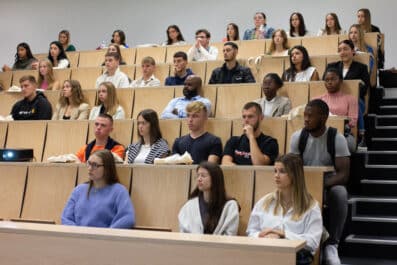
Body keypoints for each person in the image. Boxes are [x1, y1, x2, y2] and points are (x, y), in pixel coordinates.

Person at [290, 99, 350, 265]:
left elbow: (344, 175)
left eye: (311, 116)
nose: (306, 119)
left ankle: (332, 244)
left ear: (323, 118)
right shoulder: (297, 137)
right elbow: (292, 169)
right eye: (305, 115)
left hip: (328, 183)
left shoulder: (336, 138)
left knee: (340, 193)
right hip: (303, 183)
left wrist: (320, 185)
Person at [246, 153, 322, 265]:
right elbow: (251, 232)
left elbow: (313, 242)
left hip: (295, 259)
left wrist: (283, 234)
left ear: (294, 175)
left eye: (282, 171)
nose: (276, 175)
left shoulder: (311, 206)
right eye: (275, 171)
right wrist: (264, 236)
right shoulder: (264, 202)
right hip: (264, 256)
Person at [62, 149, 135, 229]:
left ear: (107, 168)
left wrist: (106, 235)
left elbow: (127, 218)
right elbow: (66, 218)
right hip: (78, 238)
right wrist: (77, 234)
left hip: (104, 239)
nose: (90, 168)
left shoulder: (119, 191)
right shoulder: (78, 190)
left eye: (95, 165)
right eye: (89, 163)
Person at [326, 39, 370, 148]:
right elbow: (326, 82)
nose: (342, 52)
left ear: (352, 51)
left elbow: (364, 89)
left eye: (345, 49)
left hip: (356, 99)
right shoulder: (332, 66)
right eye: (340, 50)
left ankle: (360, 135)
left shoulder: (361, 67)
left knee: (354, 101)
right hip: (333, 97)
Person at [178, 161, 239, 235]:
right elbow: (183, 232)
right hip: (193, 245)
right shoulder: (190, 205)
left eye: (203, 176)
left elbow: (230, 234)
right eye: (198, 176)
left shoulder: (230, 206)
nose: (199, 179)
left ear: (215, 179)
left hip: (219, 246)